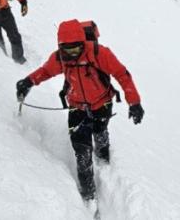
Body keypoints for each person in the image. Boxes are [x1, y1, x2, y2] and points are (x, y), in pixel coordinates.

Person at [15, 20, 144, 201]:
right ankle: (88, 193)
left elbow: (122, 74)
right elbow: (45, 71)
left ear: (83, 43)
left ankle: (103, 155)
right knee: (81, 152)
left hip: (102, 104)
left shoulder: (100, 53)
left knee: (100, 131)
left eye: (75, 49)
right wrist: (28, 81)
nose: (71, 54)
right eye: (66, 50)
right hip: (77, 107)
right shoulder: (60, 57)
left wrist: (134, 102)